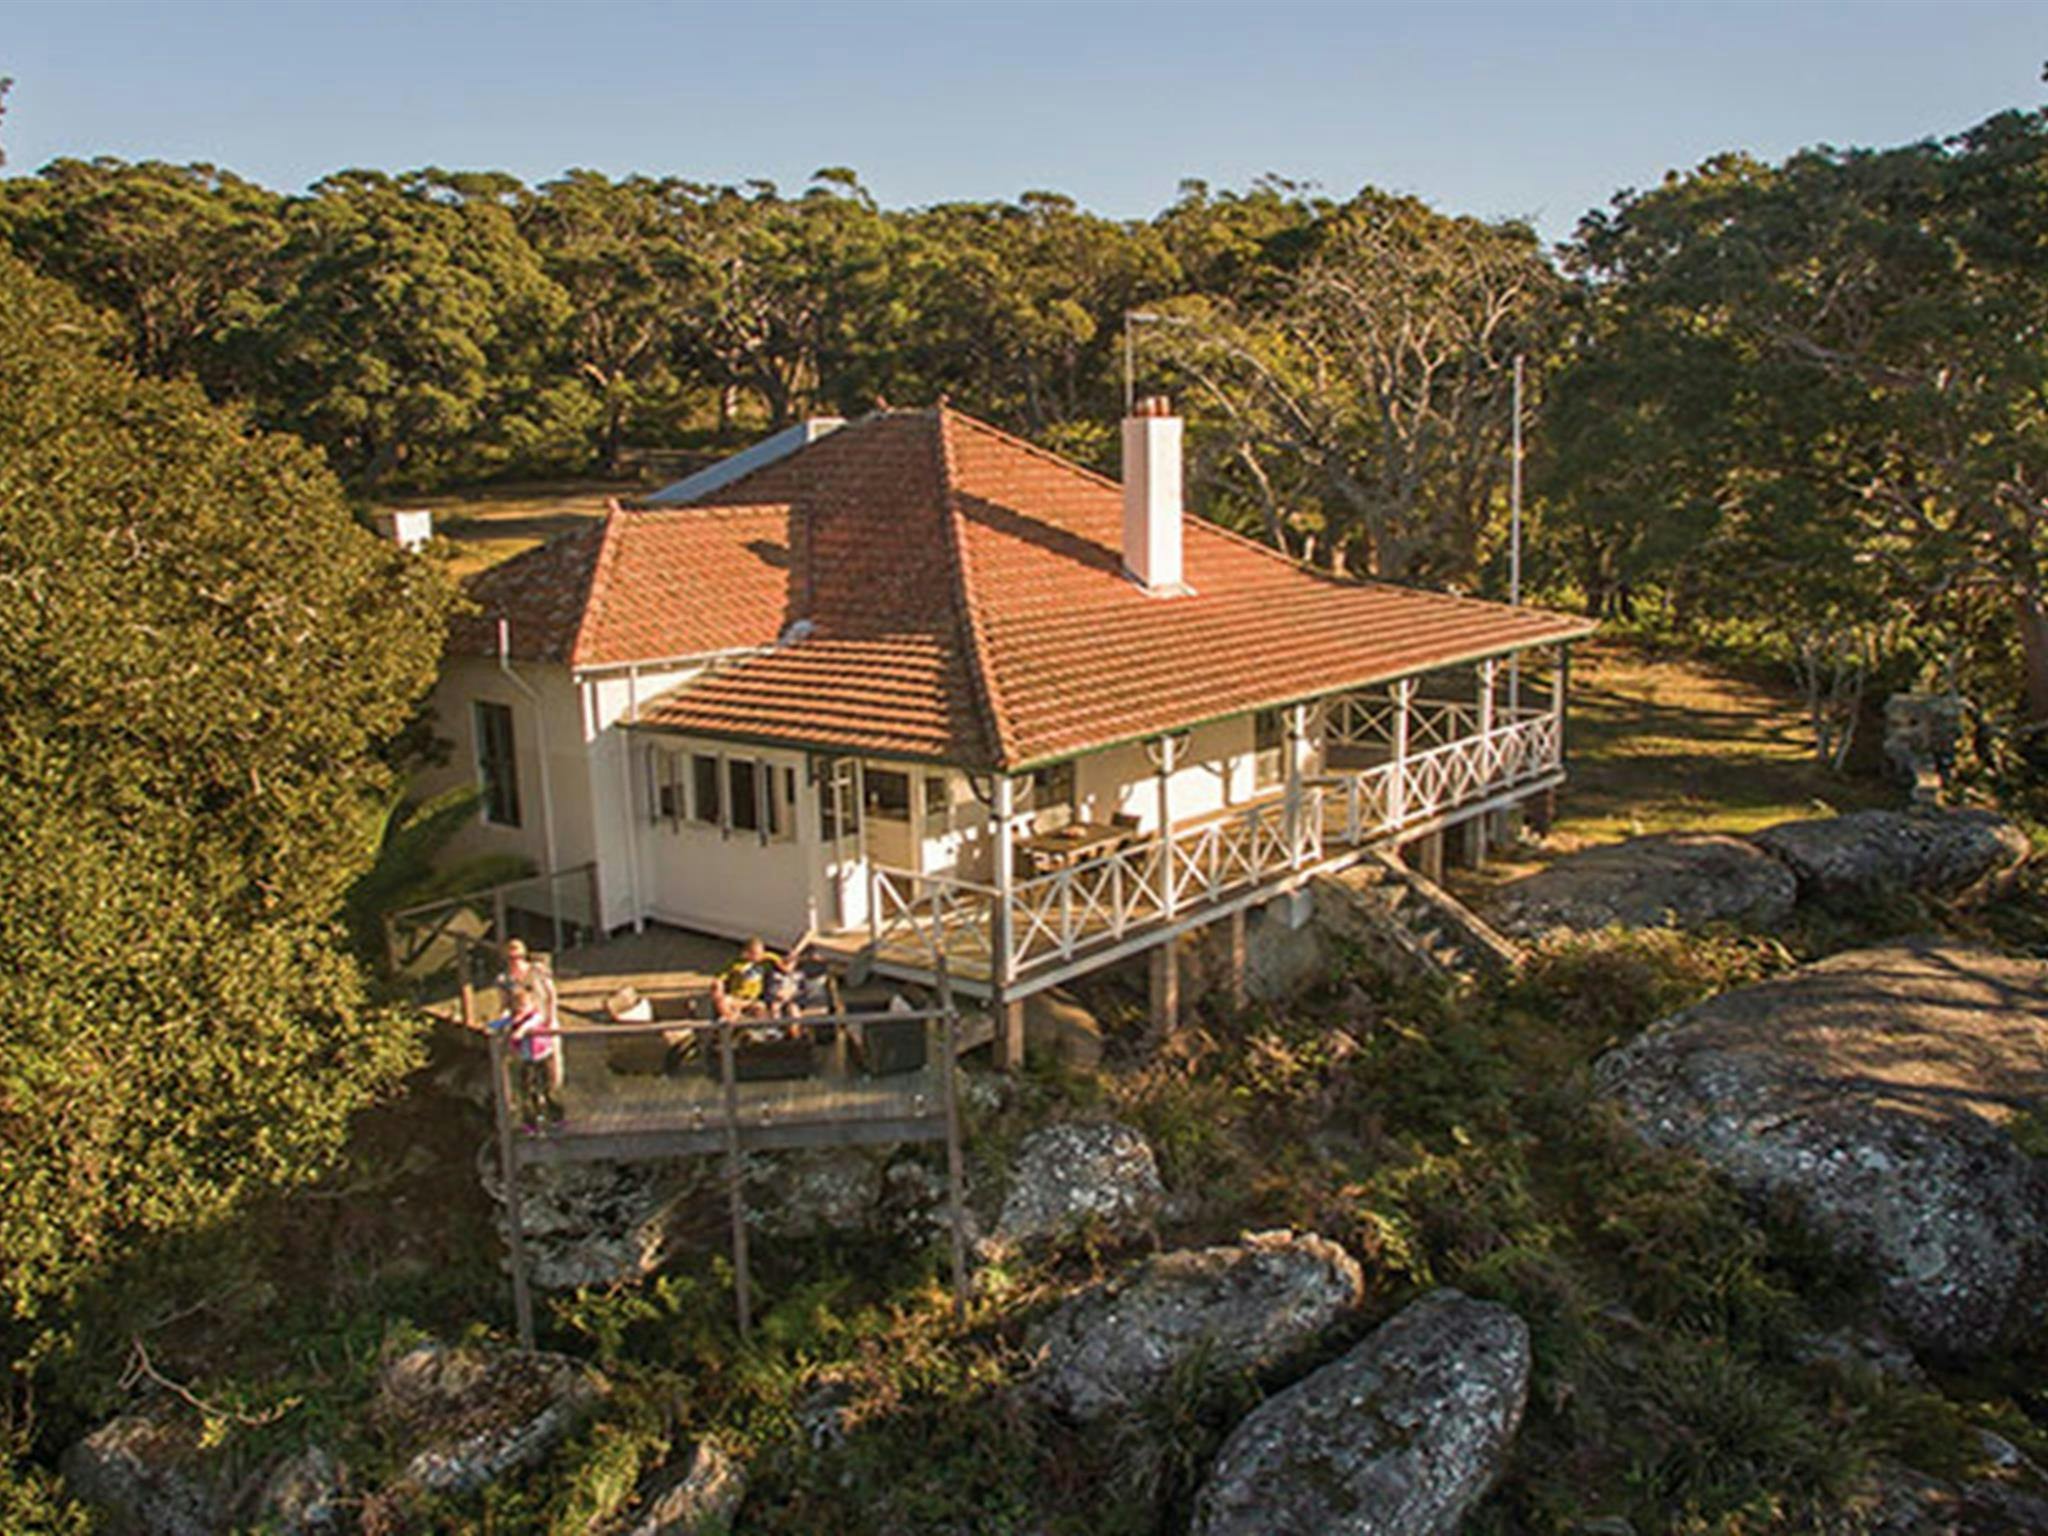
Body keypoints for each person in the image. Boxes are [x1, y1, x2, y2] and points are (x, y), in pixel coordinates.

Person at [490, 979, 563, 1133]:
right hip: (526, 1059)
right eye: (518, 1007)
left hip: (541, 1058)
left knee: (546, 1089)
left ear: (531, 1005)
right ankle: (530, 1123)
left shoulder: (535, 1017)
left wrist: (521, 1031)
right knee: (526, 1091)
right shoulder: (515, 1019)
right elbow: (499, 1023)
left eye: (524, 1006)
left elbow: (531, 1023)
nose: (521, 1009)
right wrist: (493, 1026)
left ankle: (556, 1118)